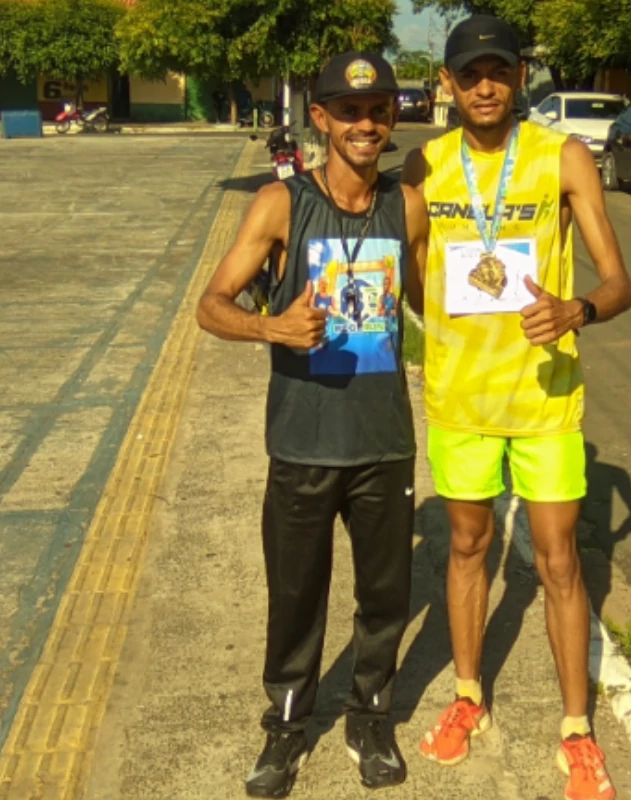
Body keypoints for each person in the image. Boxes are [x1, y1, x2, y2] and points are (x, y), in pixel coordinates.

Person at [401, 14, 631, 800]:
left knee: (561, 563)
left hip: (544, 400)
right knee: (468, 549)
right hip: (460, 398)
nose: (485, 86)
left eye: (497, 70)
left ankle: (576, 730)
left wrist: (578, 311)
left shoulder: (561, 157)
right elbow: (406, 272)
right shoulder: (424, 164)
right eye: (469, 75)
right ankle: (469, 695)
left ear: (519, 73)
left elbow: (619, 282)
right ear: (448, 84)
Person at [197, 50, 429, 799]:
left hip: (384, 442)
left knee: (385, 598)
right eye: (348, 111)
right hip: (301, 441)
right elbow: (212, 305)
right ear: (321, 118)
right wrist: (273, 329)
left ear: (392, 118)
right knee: (296, 596)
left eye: (377, 110)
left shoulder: (409, 205)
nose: (365, 124)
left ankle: (371, 718)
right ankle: (288, 727)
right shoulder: (281, 204)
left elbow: (433, 303)